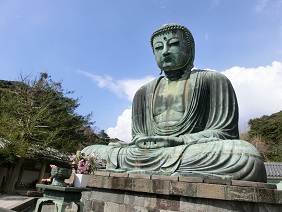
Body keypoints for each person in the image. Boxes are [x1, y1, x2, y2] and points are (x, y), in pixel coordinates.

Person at [83, 24, 266, 182]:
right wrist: (144, 142)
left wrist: (179, 140)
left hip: (191, 150)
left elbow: (224, 133)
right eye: (158, 48)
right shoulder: (143, 92)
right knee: (88, 154)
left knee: (245, 156)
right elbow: (138, 136)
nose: (165, 51)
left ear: (190, 49)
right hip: (146, 154)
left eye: (174, 44)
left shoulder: (213, 80)